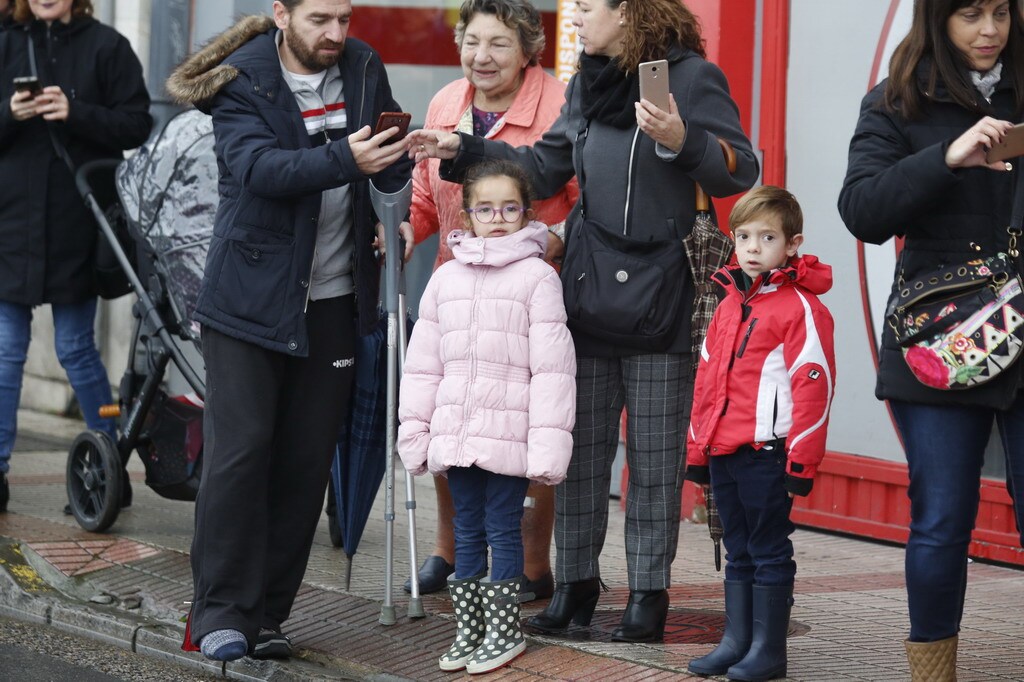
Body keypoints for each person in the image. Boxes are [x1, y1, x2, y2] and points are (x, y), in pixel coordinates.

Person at [409, 0, 759, 643]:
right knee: (579, 453)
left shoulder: (690, 78)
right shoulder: (590, 80)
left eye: (589, 7)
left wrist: (685, 142)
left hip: (663, 295)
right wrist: (464, 149)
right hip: (589, 291)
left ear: (627, 12)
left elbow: (743, 167)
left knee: (653, 460)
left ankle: (647, 593)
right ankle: (574, 586)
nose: (575, 19)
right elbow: (543, 166)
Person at [165, 0, 413, 662]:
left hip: (335, 301)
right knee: (241, 458)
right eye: (319, 20)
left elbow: (387, 164)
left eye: (344, 19)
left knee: (304, 466)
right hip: (250, 303)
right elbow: (258, 169)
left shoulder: (361, 66)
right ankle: (219, 611)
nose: (335, 34)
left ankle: (268, 613)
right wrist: (346, 159)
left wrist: (397, 206)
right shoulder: (242, 78)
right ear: (281, 13)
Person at [839, 1, 1024, 678]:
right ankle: (932, 671)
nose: (989, 30)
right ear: (938, 20)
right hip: (940, 339)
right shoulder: (897, 103)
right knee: (943, 516)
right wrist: (947, 157)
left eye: (1002, 11)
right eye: (970, 14)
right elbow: (862, 209)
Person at [405, 0, 579, 601]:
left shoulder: (556, 105)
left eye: (499, 44)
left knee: (520, 437)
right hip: (458, 298)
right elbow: (428, 199)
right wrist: (407, 230)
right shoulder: (445, 105)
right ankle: (451, 554)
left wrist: (558, 241)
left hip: (530, 298)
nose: (482, 57)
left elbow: (587, 195)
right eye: (472, 41)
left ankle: (531, 566)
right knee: (453, 428)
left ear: (528, 50)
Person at [398, 159, 576, 674]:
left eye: (508, 209)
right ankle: (469, 628)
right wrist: (417, 430)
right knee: (466, 529)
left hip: (509, 435)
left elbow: (552, 370)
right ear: (467, 215)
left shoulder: (538, 277)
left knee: (503, 527)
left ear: (525, 214)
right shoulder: (446, 278)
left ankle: (504, 631)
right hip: (456, 433)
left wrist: (546, 449)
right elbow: (423, 364)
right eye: (485, 209)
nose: (497, 218)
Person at [0, 0, 151, 514]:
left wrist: (75, 111)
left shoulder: (107, 46)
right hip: (9, 225)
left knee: (76, 350)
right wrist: (9, 112)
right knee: (5, 353)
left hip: (77, 227)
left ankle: (106, 468)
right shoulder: (6, 41)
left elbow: (138, 125)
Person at [684, 186, 836, 681]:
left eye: (766, 237)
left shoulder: (801, 308)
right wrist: (698, 449)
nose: (751, 247)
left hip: (767, 452)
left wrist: (800, 461)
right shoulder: (729, 301)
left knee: (769, 548)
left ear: (792, 244)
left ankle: (769, 651)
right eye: (743, 235)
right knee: (739, 547)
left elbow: (815, 383)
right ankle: (737, 641)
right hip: (725, 449)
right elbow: (707, 380)